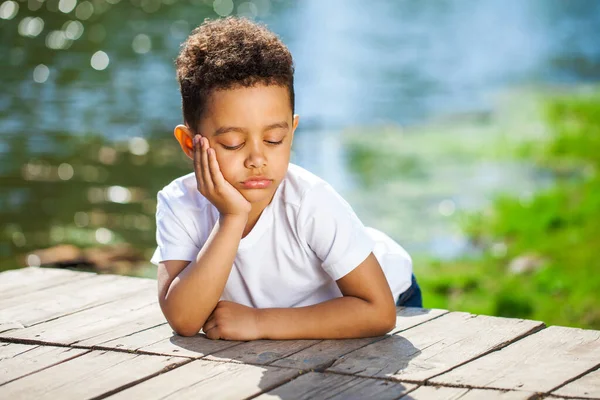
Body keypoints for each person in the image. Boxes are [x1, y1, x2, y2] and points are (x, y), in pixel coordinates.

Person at [151, 17, 422, 341]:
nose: (256, 159)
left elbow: (378, 311)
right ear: (189, 144)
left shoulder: (310, 202)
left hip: (382, 296)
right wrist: (232, 218)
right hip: (280, 309)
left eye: (274, 139)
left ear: (291, 132)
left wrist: (260, 323)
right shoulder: (180, 203)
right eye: (232, 143)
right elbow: (183, 319)